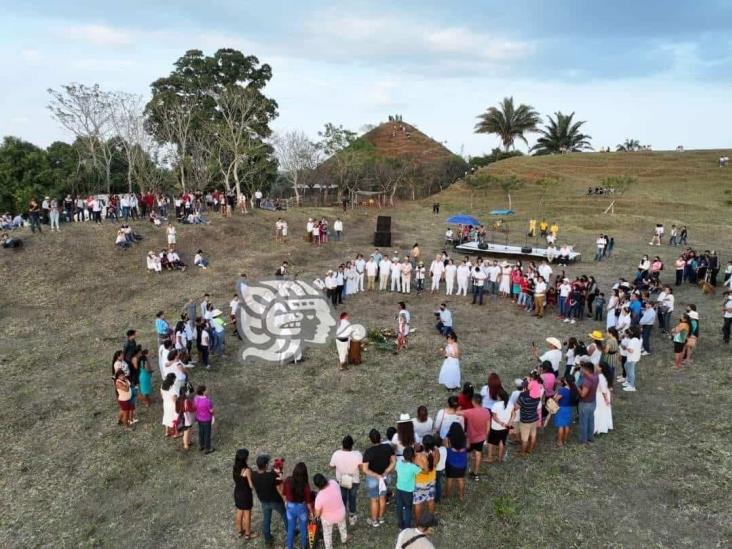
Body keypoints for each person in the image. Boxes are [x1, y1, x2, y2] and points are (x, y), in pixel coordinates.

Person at [361, 429, 396, 527]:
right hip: (385, 477)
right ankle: (381, 518)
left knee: (374, 500)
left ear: (371, 440)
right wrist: (386, 471)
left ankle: (374, 520)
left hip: (373, 479)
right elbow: (393, 461)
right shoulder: (388, 447)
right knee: (382, 498)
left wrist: (376, 475)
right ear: (380, 438)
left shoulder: (368, 452)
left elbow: (365, 469)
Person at [252, 454, 288, 545]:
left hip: (264, 501)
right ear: (266, 465)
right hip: (275, 501)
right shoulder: (271, 476)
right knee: (285, 515)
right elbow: (280, 485)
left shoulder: (254, 475)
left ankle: (267, 538)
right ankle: (290, 530)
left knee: (266, 519)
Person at [329, 435, 363, 526]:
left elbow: (331, 466)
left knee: (342, 498)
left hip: (341, 480)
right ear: (352, 445)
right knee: (352, 498)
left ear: (342, 444)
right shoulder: (357, 454)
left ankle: (342, 516)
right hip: (354, 480)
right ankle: (352, 517)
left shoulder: (336, 454)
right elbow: (361, 467)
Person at [457, 394, 490, 481]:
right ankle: (476, 474)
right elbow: (488, 426)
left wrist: (459, 407)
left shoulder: (470, 412)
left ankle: (463, 470)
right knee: (478, 454)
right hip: (481, 438)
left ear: (473, 402)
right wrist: (486, 437)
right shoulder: (486, 411)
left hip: (470, 439)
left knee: (466, 454)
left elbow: (457, 413)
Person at [313, 474, 351, 549]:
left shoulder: (319, 497)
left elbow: (317, 514)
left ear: (317, 486)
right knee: (342, 526)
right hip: (341, 514)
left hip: (328, 519)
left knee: (327, 533)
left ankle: (329, 547)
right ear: (324, 478)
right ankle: (344, 538)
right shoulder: (333, 483)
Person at [283, 462, 313, 549]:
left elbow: (284, 494)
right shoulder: (306, 485)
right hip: (302, 508)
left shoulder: (288, 480)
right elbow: (308, 502)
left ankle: (289, 547)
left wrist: (286, 503)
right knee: (303, 529)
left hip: (290, 507)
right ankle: (304, 546)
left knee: (291, 528)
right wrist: (311, 512)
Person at [394, 447, 423, 530]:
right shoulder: (413, 467)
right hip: (408, 491)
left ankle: (400, 524)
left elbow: (396, 470)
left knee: (399, 506)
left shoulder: (398, 463)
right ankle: (407, 526)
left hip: (399, 488)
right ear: (413, 456)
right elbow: (421, 471)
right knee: (408, 508)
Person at [233, 449, 257, 540]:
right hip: (245, 494)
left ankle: (239, 531)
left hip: (237, 492)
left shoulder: (235, 467)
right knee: (247, 514)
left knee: (239, 512)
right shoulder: (246, 470)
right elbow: (251, 485)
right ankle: (248, 534)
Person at [444, 423, 468, 501]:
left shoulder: (448, 438)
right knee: (461, 479)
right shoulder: (465, 437)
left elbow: (446, 447)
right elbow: (468, 446)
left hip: (451, 462)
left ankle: (447, 494)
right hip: (462, 463)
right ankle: (461, 496)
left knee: (449, 479)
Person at [577, 361, 598, 444]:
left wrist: (576, 386)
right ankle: (591, 437)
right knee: (591, 420)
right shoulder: (596, 376)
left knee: (583, 422)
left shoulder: (587, 381)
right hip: (593, 401)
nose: (581, 369)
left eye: (582, 368)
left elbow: (583, 394)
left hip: (585, 403)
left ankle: (583, 439)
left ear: (586, 370)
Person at [553, 376, 576, 447]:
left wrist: (555, 402)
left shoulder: (563, 390)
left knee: (561, 426)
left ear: (566, 381)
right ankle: (565, 440)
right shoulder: (574, 389)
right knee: (566, 425)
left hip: (562, 409)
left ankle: (559, 441)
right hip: (569, 408)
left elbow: (556, 399)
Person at [193, 385, 215, 453]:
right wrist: (214, 411)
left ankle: (201, 445)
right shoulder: (207, 401)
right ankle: (207, 448)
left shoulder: (196, 398)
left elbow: (195, 407)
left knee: (201, 432)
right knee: (207, 433)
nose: (207, 391)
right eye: (206, 390)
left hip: (199, 418)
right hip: (207, 419)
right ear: (203, 392)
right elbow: (211, 411)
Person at [594, 363, 613, 434]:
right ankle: (604, 426)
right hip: (605, 394)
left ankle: (598, 427)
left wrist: (606, 399)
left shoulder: (600, 376)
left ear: (601, 368)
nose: (595, 367)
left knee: (599, 411)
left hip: (600, 396)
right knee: (604, 410)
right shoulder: (605, 375)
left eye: (597, 366)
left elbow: (603, 389)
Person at [160, 373, 178, 437]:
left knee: (166, 416)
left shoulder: (162, 385)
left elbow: (162, 395)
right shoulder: (173, 387)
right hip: (172, 404)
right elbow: (174, 398)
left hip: (165, 403)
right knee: (174, 418)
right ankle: (175, 433)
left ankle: (166, 431)